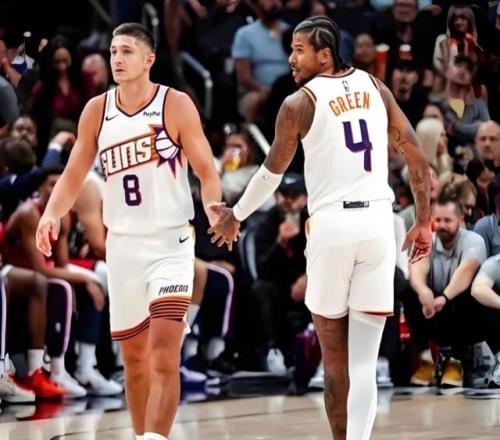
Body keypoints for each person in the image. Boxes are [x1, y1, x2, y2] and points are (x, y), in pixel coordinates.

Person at [209, 15, 431, 440]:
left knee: (335, 363)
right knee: (364, 365)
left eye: (299, 50)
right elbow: (416, 156)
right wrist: (422, 221)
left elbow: (270, 175)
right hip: (377, 223)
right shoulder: (375, 86)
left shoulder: (299, 103)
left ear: (324, 55)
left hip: (333, 226)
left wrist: (235, 215)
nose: (291, 59)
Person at [36, 23, 222, 440]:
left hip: (171, 243)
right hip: (122, 247)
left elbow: (207, 170)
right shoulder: (96, 110)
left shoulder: (175, 104)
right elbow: (73, 173)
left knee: (164, 356)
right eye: (113, 51)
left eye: (126, 52)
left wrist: (213, 206)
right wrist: (50, 214)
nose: (117, 59)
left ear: (149, 59)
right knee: (135, 362)